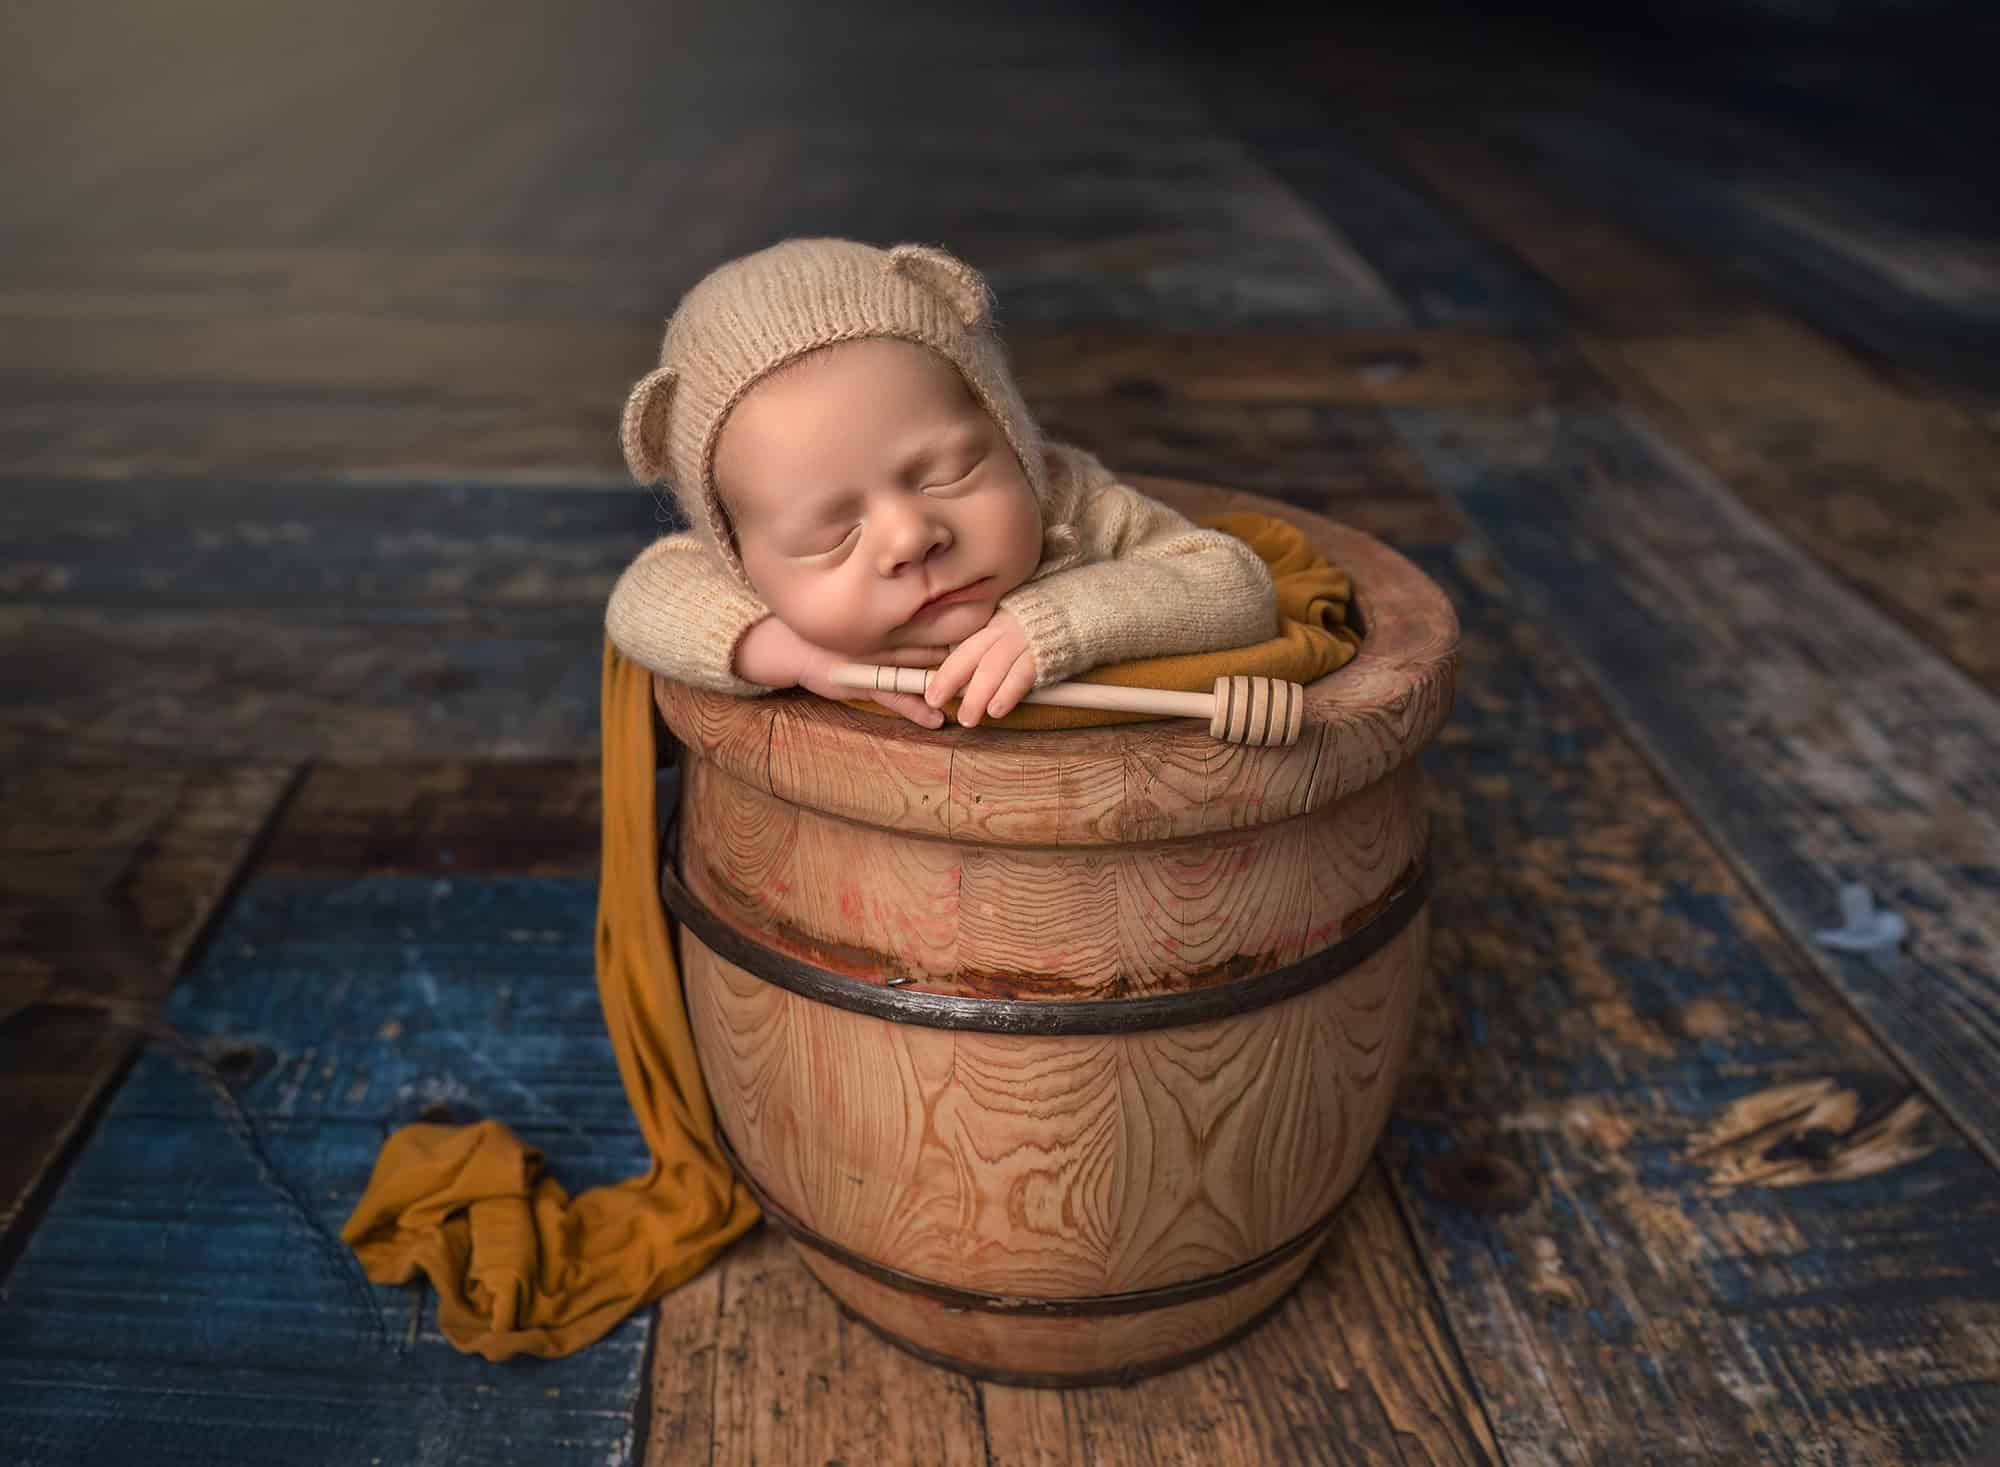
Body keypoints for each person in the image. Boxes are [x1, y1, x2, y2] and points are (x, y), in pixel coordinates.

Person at [608, 237, 1278, 729]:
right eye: (830, 537)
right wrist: (783, 647)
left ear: (1010, 436)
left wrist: (1063, 621)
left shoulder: (1074, 507)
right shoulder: (747, 591)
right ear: (742, 560)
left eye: (950, 474)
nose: (910, 537)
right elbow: (640, 600)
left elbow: (1234, 585)